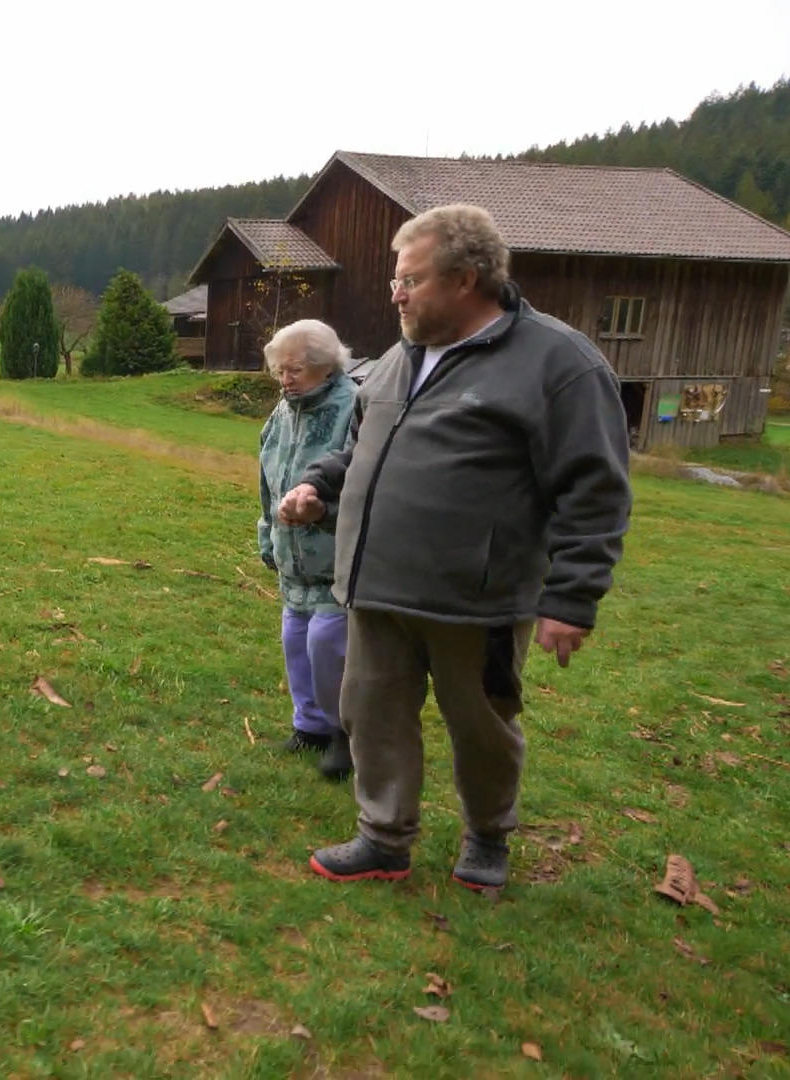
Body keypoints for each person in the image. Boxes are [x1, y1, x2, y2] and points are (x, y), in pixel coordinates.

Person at [277, 204, 631, 891]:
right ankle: (383, 838)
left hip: (479, 600)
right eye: (395, 280)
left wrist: (573, 598)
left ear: (467, 279)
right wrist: (318, 485)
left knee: (482, 729)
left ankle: (488, 839)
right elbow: (360, 448)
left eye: (410, 280)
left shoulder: (558, 363)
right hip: (376, 588)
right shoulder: (397, 360)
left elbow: (596, 489)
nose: (396, 294)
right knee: (373, 718)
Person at [257, 320, 358, 780]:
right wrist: (267, 535)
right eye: (279, 370)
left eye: (294, 369)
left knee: (328, 645)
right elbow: (267, 481)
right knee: (295, 640)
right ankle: (309, 727)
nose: (285, 379)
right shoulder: (281, 413)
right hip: (292, 555)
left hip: (337, 557)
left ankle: (345, 733)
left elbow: (363, 480)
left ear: (325, 365)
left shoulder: (353, 407)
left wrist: (323, 511)